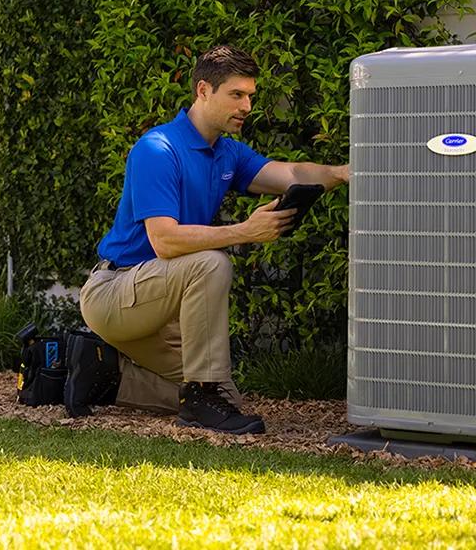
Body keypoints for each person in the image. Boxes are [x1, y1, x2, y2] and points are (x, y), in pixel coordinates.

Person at [71, 45, 349, 434]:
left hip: (158, 301)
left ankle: (102, 373)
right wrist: (244, 232)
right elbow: (165, 241)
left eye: (251, 95)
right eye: (237, 94)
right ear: (203, 90)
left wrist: (341, 172)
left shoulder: (227, 153)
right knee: (211, 263)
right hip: (116, 293)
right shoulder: (157, 149)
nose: (248, 106)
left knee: (226, 398)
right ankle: (200, 398)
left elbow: (290, 172)